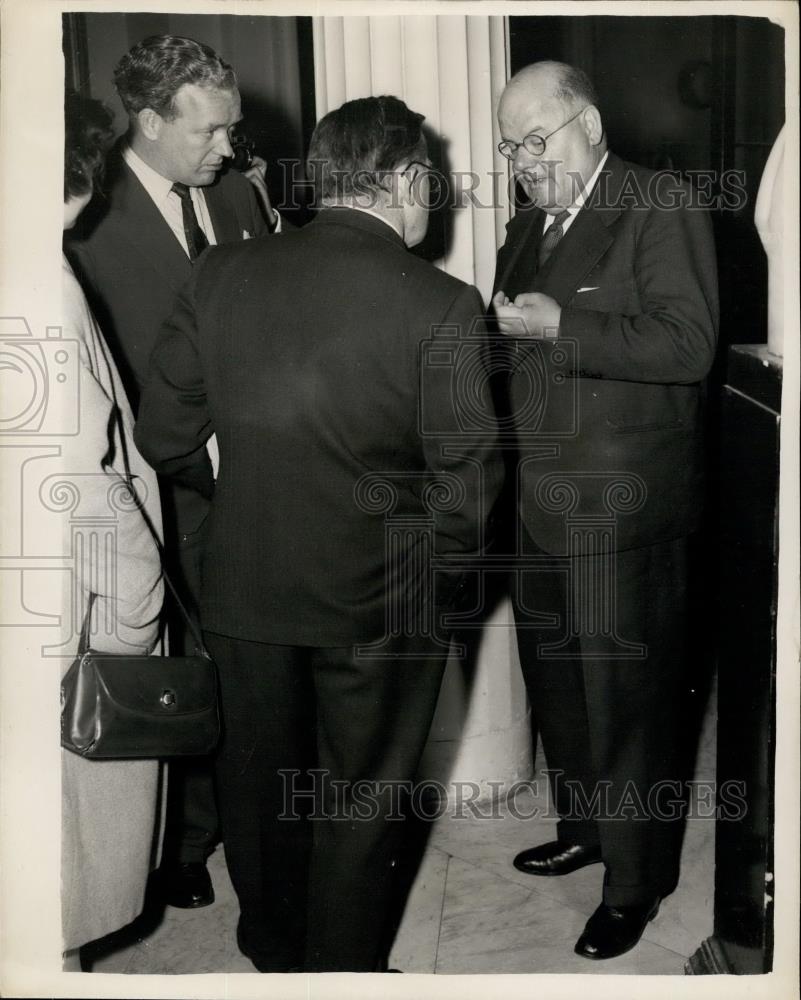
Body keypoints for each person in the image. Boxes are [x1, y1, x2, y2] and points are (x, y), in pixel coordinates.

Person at [134, 95, 504, 972]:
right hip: (381, 601)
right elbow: (467, 485)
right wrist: (442, 592)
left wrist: (247, 490)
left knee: (259, 790)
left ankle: (273, 953)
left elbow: (163, 437)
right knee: (363, 795)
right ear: (409, 181)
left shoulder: (219, 272)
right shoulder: (444, 304)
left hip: (246, 587)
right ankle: (342, 972)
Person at [492, 61, 718, 960]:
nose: (520, 161)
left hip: (624, 511)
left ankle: (634, 882)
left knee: (627, 705)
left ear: (585, 122)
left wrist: (562, 331)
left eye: (535, 140)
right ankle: (584, 827)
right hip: (539, 505)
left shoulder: (657, 202)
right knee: (561, 689)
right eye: (509, 147)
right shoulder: (526, 225)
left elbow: (688, 342)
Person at [65, 34, 283, 910]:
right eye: (211, 132)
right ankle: (185, 843)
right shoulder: (88, 214)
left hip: (261, 478)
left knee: (250, 659)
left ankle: (255, 814)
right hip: (164, 485)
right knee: (180, 661)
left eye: (232, 129)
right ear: (150, 121)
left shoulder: (236, 195)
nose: (229, 148)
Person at [60, 91, 164, 968]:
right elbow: (81, 478)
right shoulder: (38, 282)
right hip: (66, 610)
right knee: (58, 858)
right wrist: (139, 607)